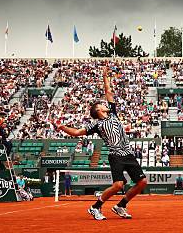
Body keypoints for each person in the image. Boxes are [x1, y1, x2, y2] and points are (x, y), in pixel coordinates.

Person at [55, 66, 147, 221]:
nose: (105, 104)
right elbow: (77, 133)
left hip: (128, 154)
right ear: (98, 110)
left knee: (142, 182)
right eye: (101, 105)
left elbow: (108, 91)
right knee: (118, 185)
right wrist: (63, 127)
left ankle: (120, 206)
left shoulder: (113, 114)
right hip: (116, 155)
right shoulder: (96, 124)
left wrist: (105, 77)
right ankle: (95, 207)